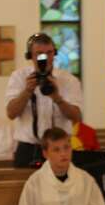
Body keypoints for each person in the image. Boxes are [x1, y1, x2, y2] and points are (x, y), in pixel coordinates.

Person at [5, 33, 83, 167]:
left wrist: (57, 98)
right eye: (39, 54)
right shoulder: (18, 77)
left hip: (60, 149)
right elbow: (11, 113)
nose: (45, 58)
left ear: (55, 53)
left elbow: (76, 117)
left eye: (49, 53)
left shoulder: (69, 80)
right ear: (30, 56)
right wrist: (27, 91)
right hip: (28, 149)